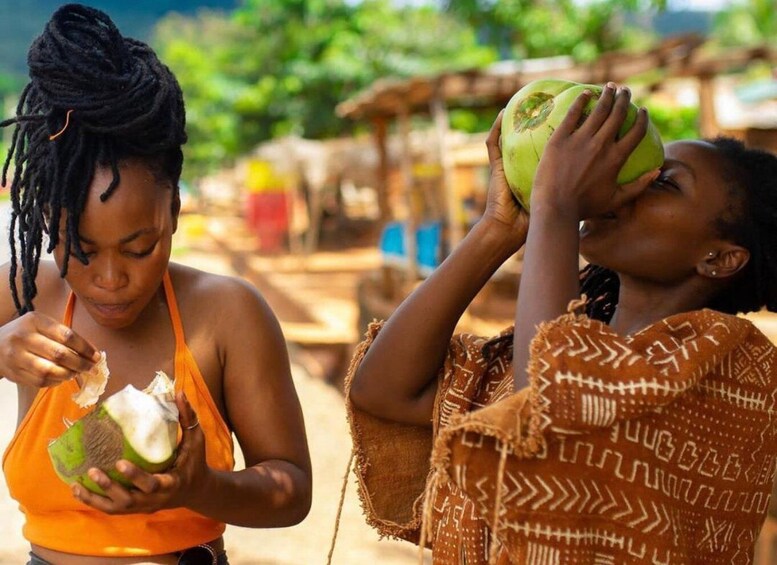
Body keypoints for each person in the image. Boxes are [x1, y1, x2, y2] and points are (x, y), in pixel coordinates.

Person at [345, 83, 777, 564]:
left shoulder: (725, 368)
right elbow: (382, 392)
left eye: (663, 183)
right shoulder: (559, 343)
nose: (627, 181)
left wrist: (556, 206)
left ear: (720, 258)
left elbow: (549, 416)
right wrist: (498, 228)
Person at [0, 5, 311, 564]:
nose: (112, 279)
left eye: (141, 248)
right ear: (47, 219)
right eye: (83, 251)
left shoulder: (227, 313)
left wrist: (202, 488)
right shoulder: (26, 291)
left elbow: (291, 489)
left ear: (174, 211)